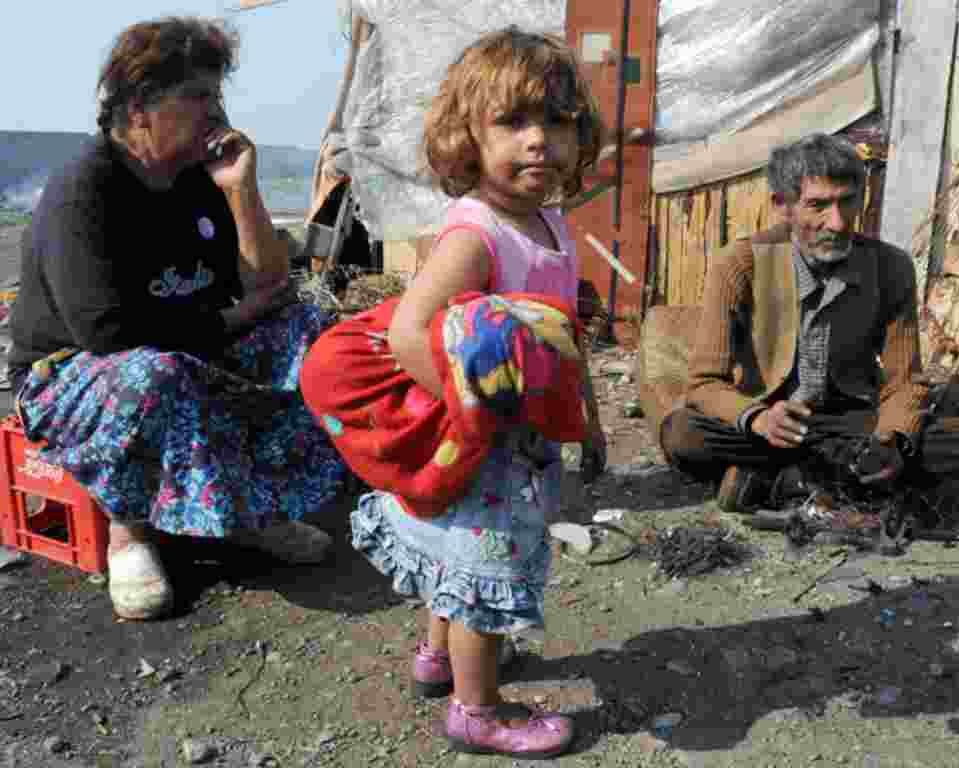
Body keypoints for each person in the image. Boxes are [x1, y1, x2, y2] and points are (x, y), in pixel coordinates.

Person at [319, 27, 605, 758]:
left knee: (457, 559)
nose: (539, 141)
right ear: (467, 138)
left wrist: (591, 424)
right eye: (512, 123)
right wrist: (470, 420)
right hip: (490, 443)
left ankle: (439, 658)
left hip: (518, 431)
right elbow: (414, 330)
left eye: (557, 120)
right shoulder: (476, 236)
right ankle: (477, 711)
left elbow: (563, 336)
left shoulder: (548, 223)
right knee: (483, 574)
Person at [7, 17, 348, 621]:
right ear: (140, 108)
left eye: (217, 95)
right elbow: (106, 333)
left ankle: (249, 510)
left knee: (307, 330)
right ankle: (128, 533)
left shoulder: (197, 179)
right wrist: (232, 318)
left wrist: (241, 188)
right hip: (74, 376)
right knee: (154, 374)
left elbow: (268, 283)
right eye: (197, 96)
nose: (214, 111)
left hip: (186, 346)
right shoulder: (83, 191)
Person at [650, 133, 959, 514]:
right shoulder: (740, 264)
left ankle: (781, 481)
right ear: (782, 207)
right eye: (818, 205)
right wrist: (759, 418)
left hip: (850, 425)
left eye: (847, 201)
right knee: (683, 433)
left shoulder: (890, 268)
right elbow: (703, 384)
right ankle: (825, 482)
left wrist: (889, 440)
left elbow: (905, 382)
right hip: (767, 424)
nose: (836, 221)